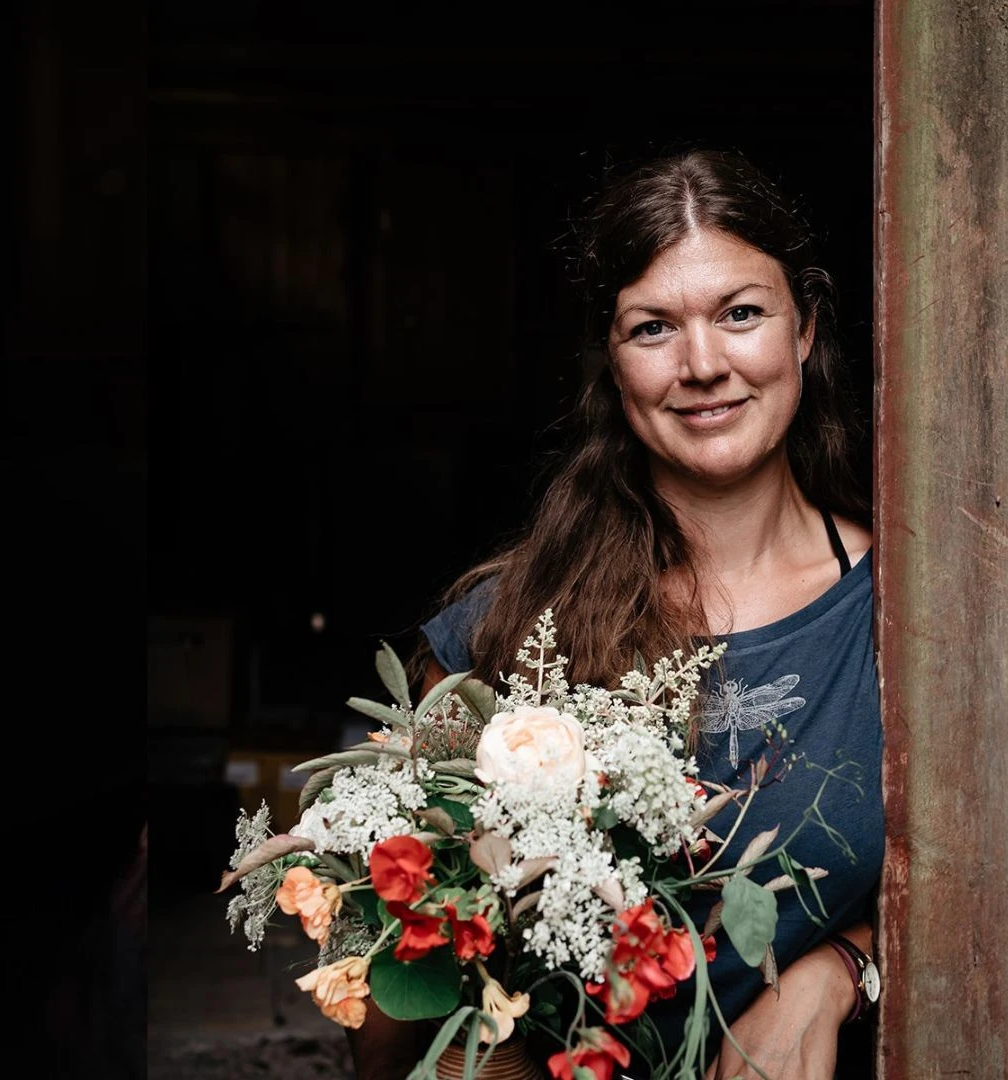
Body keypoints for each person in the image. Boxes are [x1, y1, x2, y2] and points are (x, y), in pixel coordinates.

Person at [353, 149, 882, 1079]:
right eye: (653, 328)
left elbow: (1004, 881)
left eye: (741, 314)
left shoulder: (906, 613)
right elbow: (386, 1004)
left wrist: (836, 971)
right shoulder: (509, 630)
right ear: (611, 357)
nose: (704, 365)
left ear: (804, 329)